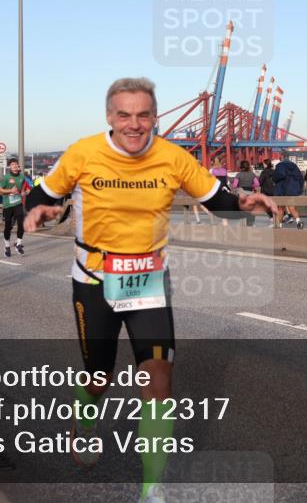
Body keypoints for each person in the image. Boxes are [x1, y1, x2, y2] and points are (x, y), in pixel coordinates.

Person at [23, 77, 276, 503]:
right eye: (124, 115)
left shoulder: (172, 157)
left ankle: (152, 489)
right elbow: (38, 196)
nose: (134, 124)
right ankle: (86, 418)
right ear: (110, 117)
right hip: (94, 281)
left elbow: (218, 200)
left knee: (158, 380)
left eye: (143, 115)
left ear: (155, 117)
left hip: (149, 280)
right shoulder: (83, 153)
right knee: (99, 378)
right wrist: (40, 212)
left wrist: (243, 204)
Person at [0, 158, 32, 256]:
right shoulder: (6, 177)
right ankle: (7, 246)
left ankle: (18, 244)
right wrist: (10, 191)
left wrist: (26, 192)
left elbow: (23, 190)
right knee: (8, 226)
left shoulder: (22, 177)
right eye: (12, 164)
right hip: (8, 205)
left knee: (21, 224)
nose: (15, 166)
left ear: (18, 166)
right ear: (9, 167)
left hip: (18, 203)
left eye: (16, 164)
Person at [273, 154, 305, 228]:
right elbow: (300, 178)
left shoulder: (279, 166)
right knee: (292, 207)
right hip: (292, 190)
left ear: (281, 158)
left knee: (281, 208)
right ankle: (298, 222)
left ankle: (279, 225)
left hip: (281, 190)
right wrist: (299, 189)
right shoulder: (294, 166)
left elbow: (276, 177)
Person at [231, 159, 261, 226]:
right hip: (250, 193)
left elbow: (234, 185)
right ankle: (251, 223)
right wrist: (251, 185)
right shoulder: (252, 174)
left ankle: (242, 223)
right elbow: (257, 184)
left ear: (241, 166)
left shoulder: (238, 175)